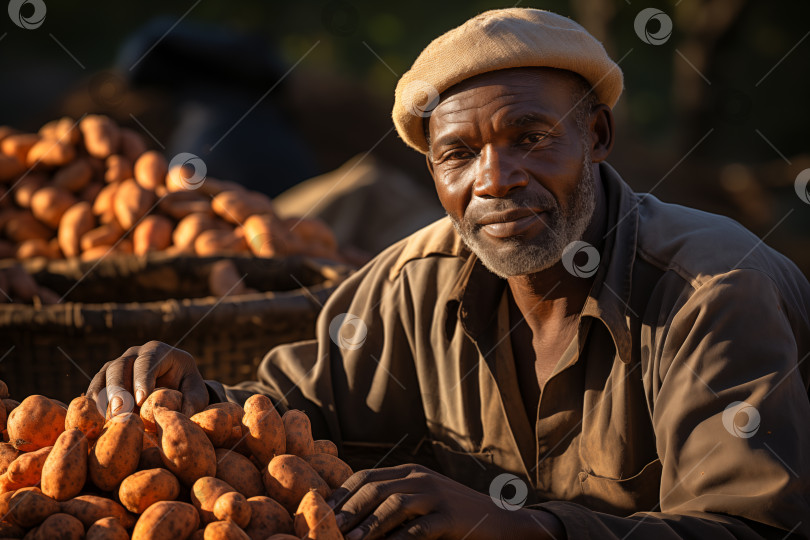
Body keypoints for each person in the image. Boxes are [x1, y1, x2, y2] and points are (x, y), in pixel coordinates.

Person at [88, 8, 810, 539]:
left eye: (531, 138)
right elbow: (289, 412)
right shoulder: (414, 281)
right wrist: (195, 394)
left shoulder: (712, 291)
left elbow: (754, 531)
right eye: (459, 154)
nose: (495, 181)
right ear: (432, 168)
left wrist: (517, 528)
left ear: (597, 135)